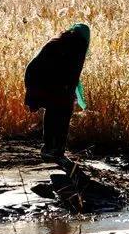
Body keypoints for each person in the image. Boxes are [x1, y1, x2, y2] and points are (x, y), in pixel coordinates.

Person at [25, 23, 90, 161]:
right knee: (63, 108)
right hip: (44, 78)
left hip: (36, 76)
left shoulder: (61, 41)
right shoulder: (78, 45)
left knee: (54, 108)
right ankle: (56, 148)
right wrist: (72, 95)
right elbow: (72, 75)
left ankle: (51, 147)